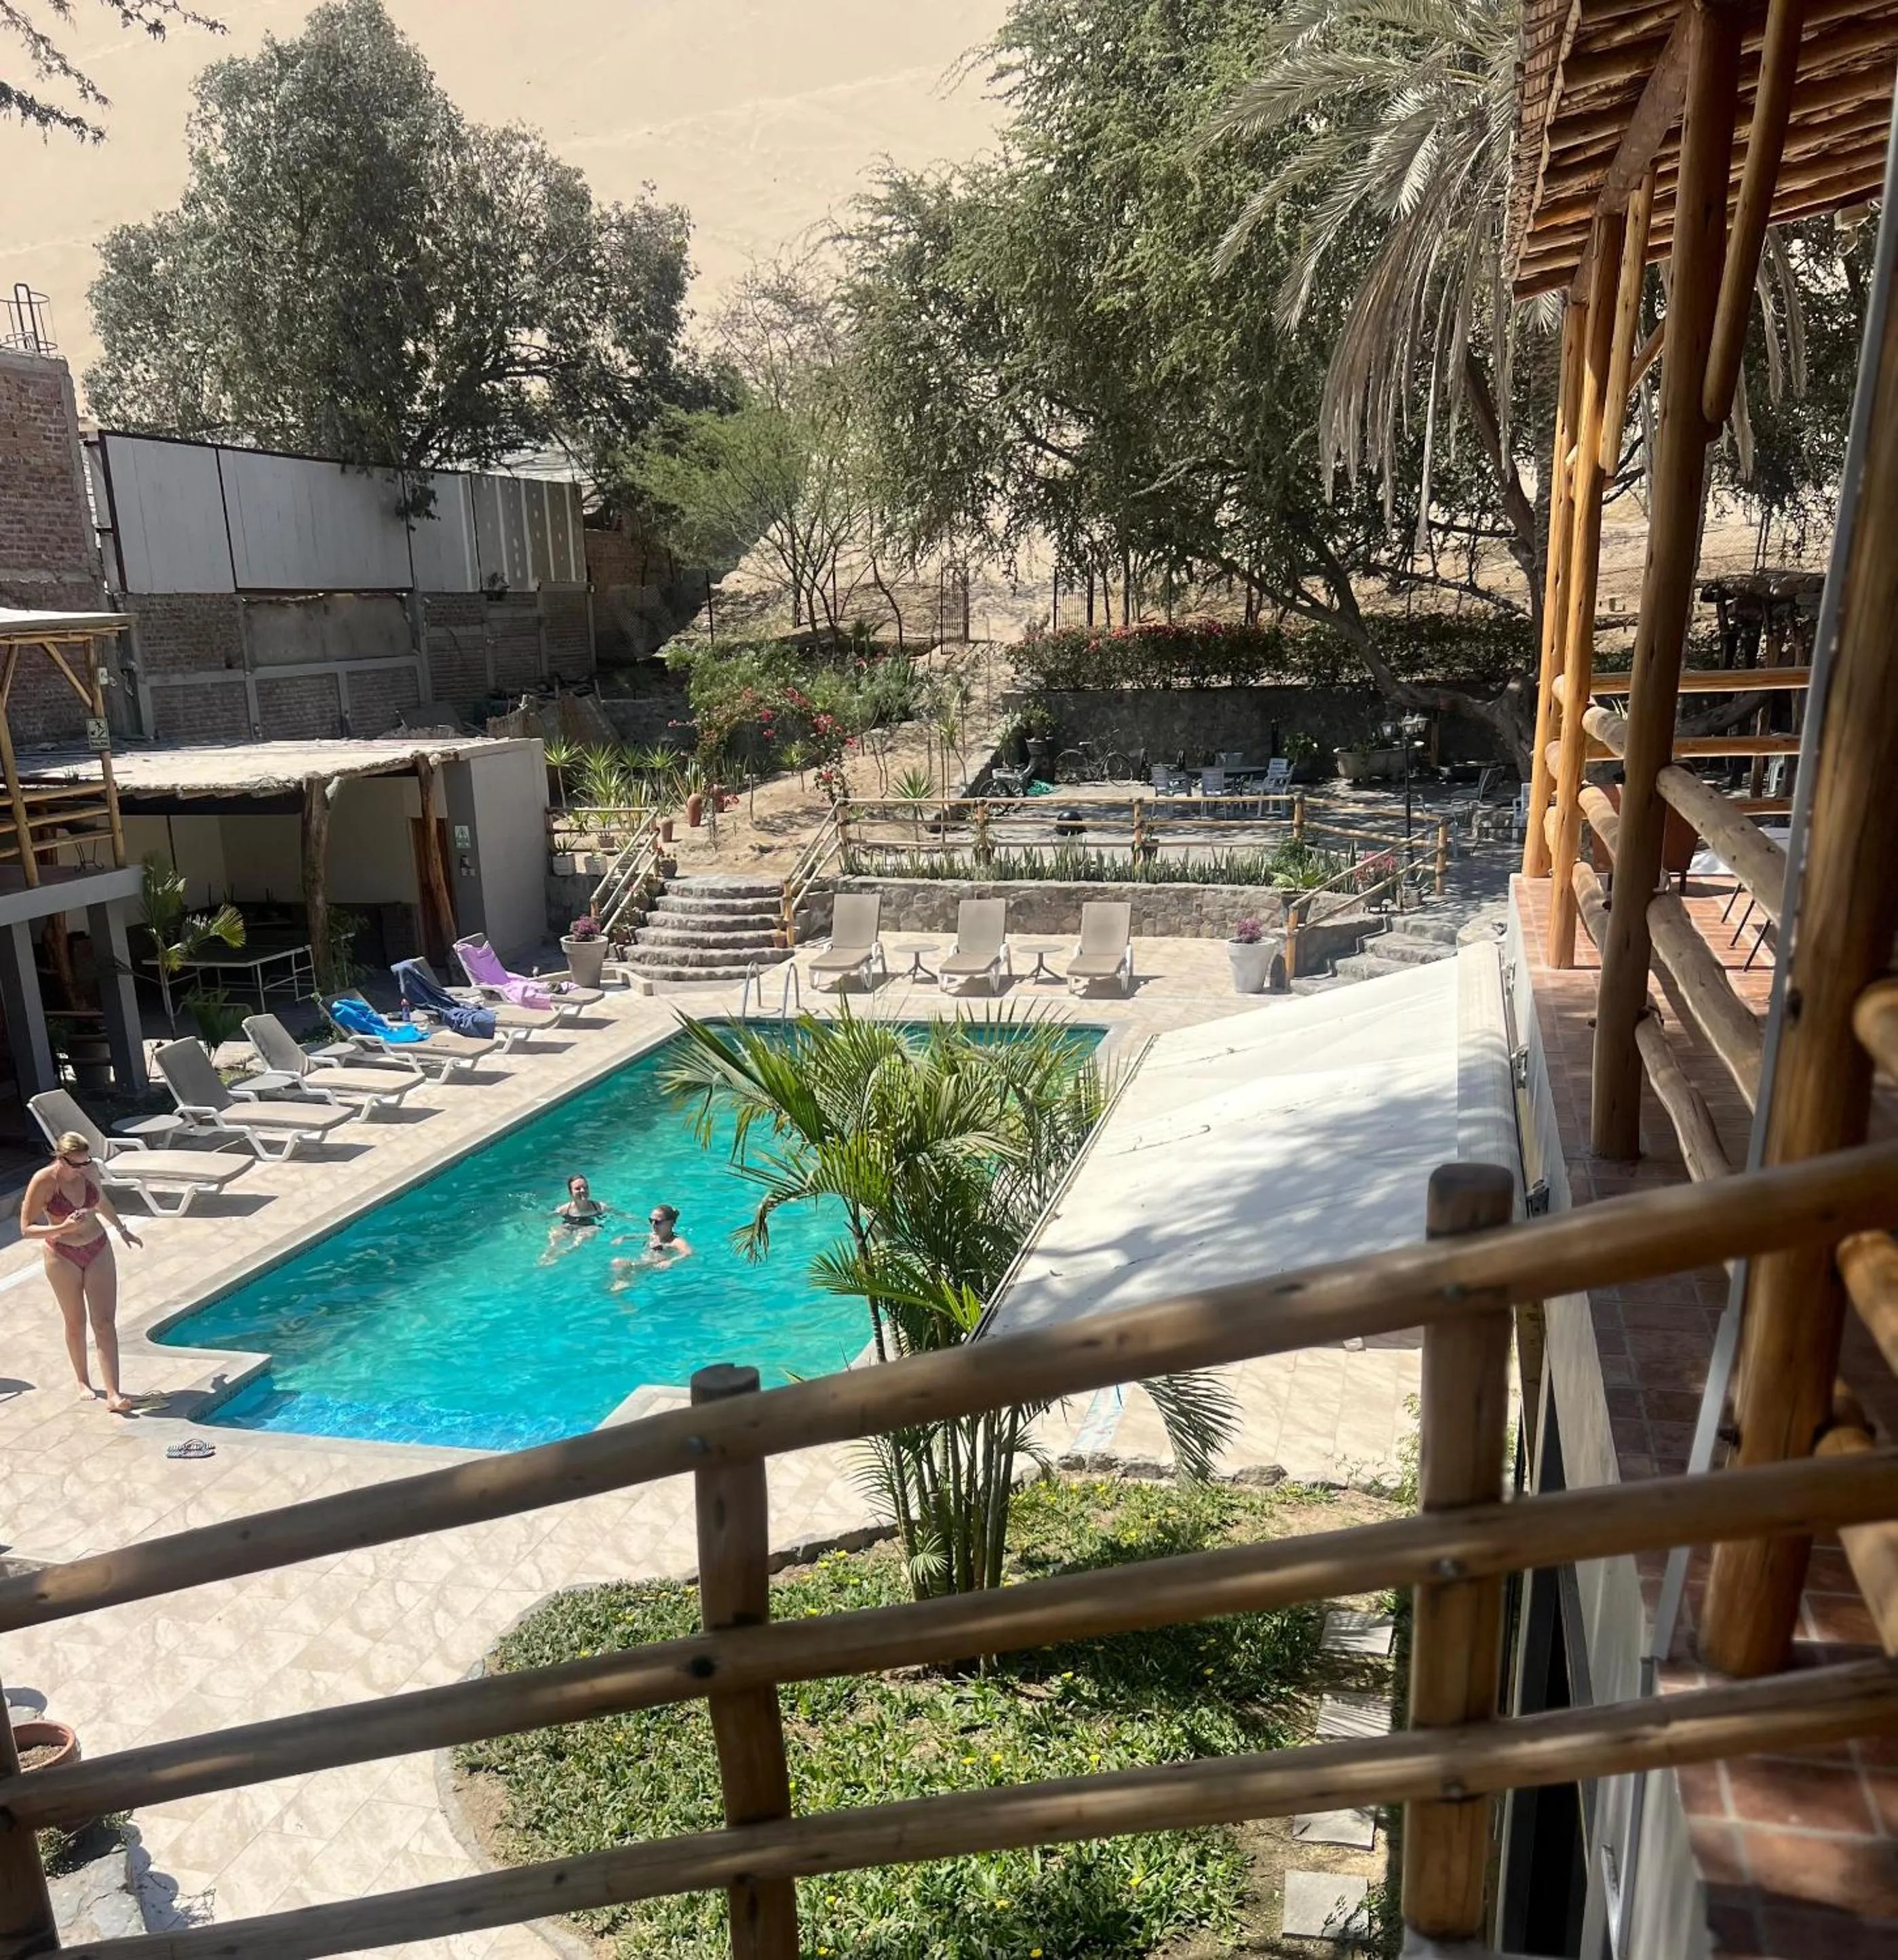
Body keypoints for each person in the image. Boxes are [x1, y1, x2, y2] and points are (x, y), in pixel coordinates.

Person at [22, 1132, 142, 1414]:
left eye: (85, 1162)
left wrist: (121, 1229)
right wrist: (63, 1227)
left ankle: (114, 1393)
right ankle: (83, 1380)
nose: (82, 1168)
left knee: (104, 1322)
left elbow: (100, 1201)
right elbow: (27, 1229)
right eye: (75, 1165)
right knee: (76, 1322)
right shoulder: (44, 1181)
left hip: (98, 1247)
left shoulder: (90, 1171)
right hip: (62, 1254)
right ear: (60, 1158)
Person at [608, 1204, 694, 1293]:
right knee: (617, 1265)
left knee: (618, 1269)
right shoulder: (653, 1236)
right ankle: (621, 1286)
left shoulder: (676, 1241)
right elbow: (638, 1236)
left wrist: (671, 1261)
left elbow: (689, 1253)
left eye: (658, 1222)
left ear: (670, 1223)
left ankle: (623, 1293)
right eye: (651, 1221)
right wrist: (623, 1237)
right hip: (643, 1264)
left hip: (654, 1268)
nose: (653, 1225)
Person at [541, 1175, 608, 1263]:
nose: (583, 1191)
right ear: (571, 1192)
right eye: (578, 1189)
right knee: (556, 1234)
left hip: (589, 1226)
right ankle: (546, 1256)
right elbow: (545, 1218)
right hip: (570, 1225)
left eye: (585, 1187)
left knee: (582, 1237)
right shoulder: (564, 1209)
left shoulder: (600, 1207)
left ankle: (562, 1254)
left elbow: (618, 1214)